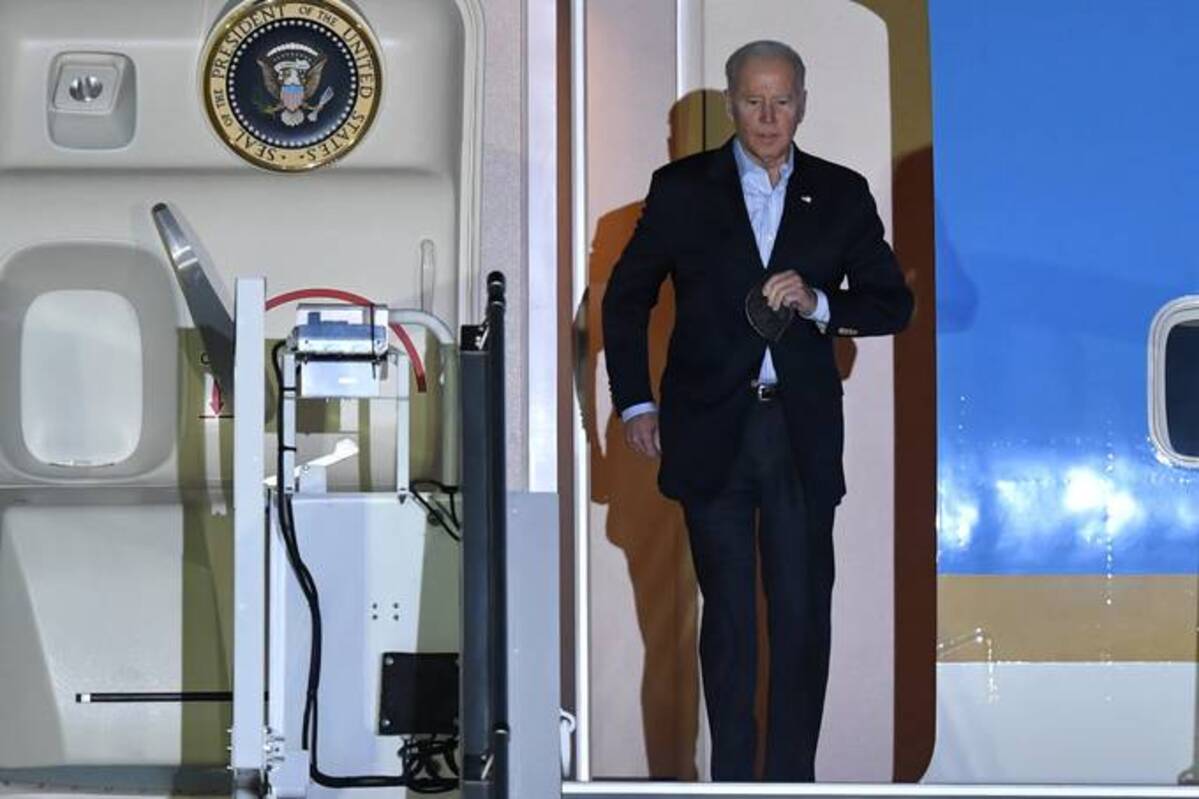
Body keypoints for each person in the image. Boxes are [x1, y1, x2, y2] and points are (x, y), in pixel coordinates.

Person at [601, 40, 913, 782]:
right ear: (729, 102)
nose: (768, 117)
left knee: (802, 619)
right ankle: (735, 783)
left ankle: (793, 783)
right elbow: (623, 298)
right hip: (711, 431)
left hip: (800, 434)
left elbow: (891, 303)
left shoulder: (840, 192)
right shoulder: (680, 188)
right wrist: (635, 400)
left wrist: (819, 302)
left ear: (802, 102)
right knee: (730, 623)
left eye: (781, 101)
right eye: (752, 100)